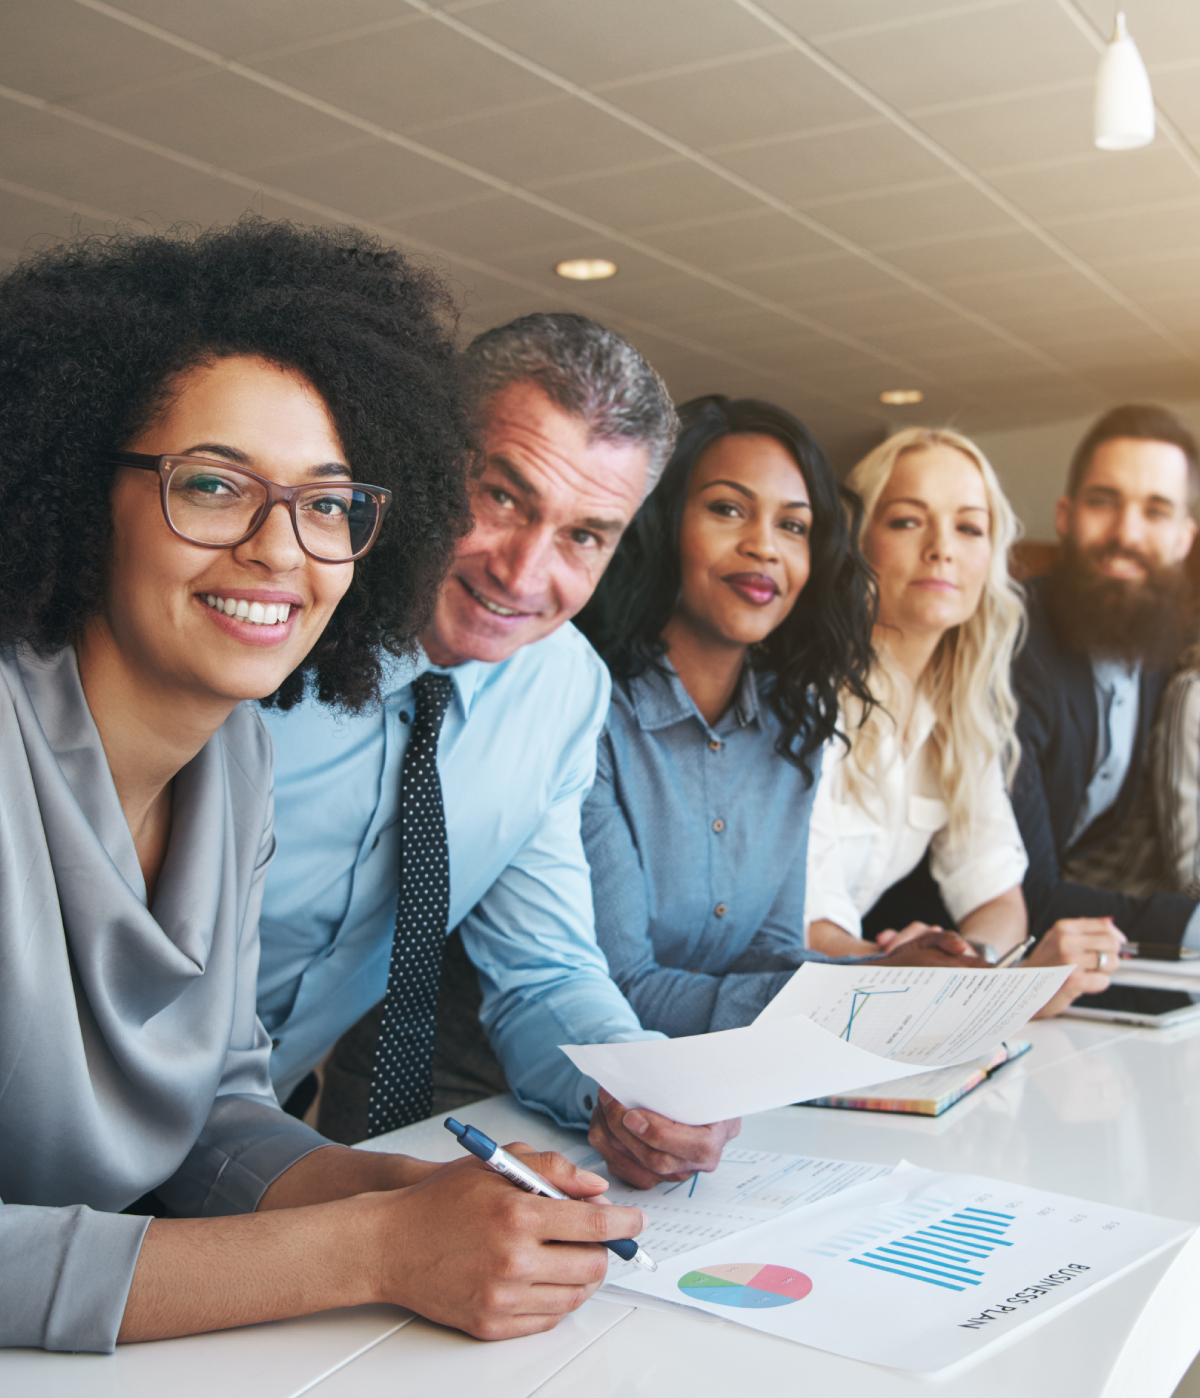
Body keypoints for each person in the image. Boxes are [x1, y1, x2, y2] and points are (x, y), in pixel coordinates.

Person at [0, 224, 645, 1353]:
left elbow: (202, 1114)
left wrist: (397, 1192)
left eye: (328, 504)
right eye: (212, 485)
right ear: (68, 482)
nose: (279, 549)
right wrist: (373, 1247)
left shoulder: (230, 753)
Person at [258, 313, 743, 1189]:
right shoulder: (266, 620)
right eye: (504, 498)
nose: (522, 575)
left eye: (583, 535)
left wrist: (634, 1089)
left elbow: (545, 969)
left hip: (252, 1133)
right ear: (427, 457)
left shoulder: (562, 690)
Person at [575, 398, 984, 1058]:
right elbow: (622, 988)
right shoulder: (590, 714)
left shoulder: (793, 727)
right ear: (663, 520)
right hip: (519, 1100)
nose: (764, 545)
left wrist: (897, 976)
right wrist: (863, 993)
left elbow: (768, 956)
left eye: (793, 526)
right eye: (727, 510)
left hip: (695, 1091)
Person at [804, 427, 1122, 1016]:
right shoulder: (805, 696)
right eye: (907, 520)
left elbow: (1001, 900)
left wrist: (967, 958)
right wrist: (939, 976)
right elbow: (802, 929)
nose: (942, 548)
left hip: (864, 1001)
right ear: (856, 542)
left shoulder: (960, 711)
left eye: (969, 527)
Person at [1010, 405, 1200, 951]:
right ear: (1065, 516)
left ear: (1184, 538)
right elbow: (1027, 890)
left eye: (1156, 511)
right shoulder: (1012, 643)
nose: (1127, 534)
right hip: (922, 958)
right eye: (1104, 502)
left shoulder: (1156, 646)